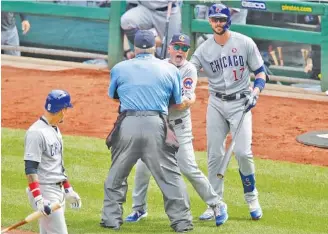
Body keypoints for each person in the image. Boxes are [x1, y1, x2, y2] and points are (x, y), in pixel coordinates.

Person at [124, 33, 228, 226]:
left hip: (178, 128)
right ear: (169, 48)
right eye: (177, 47)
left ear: (187, 52)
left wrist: (157, 101)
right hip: (156, 125)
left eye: (184, 48)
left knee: (188, 168)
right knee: (142, 168)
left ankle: (217, 204)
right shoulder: (158, 66)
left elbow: (184, 103)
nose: (180, 51)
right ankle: (139, 209)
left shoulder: (189, 70)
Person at [100, 30, 193, 233]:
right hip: (156, 125)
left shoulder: (119, 68)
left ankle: (111, 220)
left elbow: (114, 97)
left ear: (134, 47)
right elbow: (177, 102)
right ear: (155, 47)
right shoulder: (170, 70)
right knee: (170, 176)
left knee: (116, 175)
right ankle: (182, 222)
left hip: (128, 124)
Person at [189, 3, 268, 221]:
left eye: (221, 19)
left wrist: (256, 91)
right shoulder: (203, 49)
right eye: (214, 20)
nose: (218, 23)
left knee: (243, 152)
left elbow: (261, 72)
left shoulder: (244, 43)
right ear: (209, 22)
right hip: (215, 103)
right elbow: (189, 71)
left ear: (228, 20)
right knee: (214, 154)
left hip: (241, 103)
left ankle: (252, 197)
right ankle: (214, 203)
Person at [24, 90, 82, 234]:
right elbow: (30, 169)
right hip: (45, 193)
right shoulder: (36, 133)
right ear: (62, 109)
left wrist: (68, 189)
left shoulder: (54, 129)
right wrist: (39, 199)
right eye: (66, 109)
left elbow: (56, 165)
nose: (66, 112)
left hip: (57, 191)